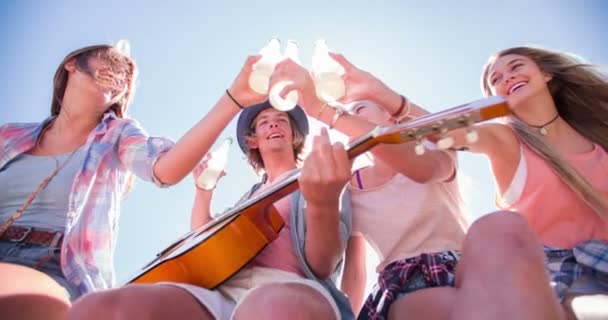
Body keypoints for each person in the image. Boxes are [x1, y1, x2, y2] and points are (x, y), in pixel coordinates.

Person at [325, 46, 608, 319]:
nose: (507, 77)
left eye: (516, 66)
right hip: (552, 274)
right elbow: (450, 133)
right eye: (495, 79)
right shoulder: (504, 138)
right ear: (495, 99)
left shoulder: (598, 138)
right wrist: (384, 98)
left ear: (546, 73)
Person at [0, 42, 268, 320]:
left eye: (125, 78)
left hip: (55, 266)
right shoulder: (9, 135)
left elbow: (165, 169)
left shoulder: (117, 135)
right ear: (72, 64)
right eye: (112, 62)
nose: (121, 75)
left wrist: (233, 99)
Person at [65, 98, 356, 320]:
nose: (273, 124)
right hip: (222, 294)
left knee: (271, 307)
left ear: (294, 135)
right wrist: (204, 190)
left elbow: (322, 265)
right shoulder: (249, 197)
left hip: (292, 288)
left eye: (281, 120)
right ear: (253, 141)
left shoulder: (324, 174)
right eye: (264, 122)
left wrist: (322, 203)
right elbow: (206, 243)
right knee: (100, 307)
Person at [268, 55, 468, 319]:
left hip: (454, 270)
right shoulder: (350, 187)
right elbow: (354, 270)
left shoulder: (433, 148)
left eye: (359, 110)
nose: (349, 119)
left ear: (390, 115)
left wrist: (323, 110)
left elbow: (424, 170)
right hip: (396, 285)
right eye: (347, 115)